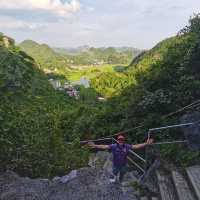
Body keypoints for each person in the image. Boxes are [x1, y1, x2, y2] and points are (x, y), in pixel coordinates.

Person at [88, 134, 154, 183]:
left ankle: (120, 181)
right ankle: (112, 180)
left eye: (122, 140)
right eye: (119, 140)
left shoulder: (127, 146)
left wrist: (146, 143)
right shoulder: (114, 146)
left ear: (124, 141)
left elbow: (136, 146)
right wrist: (95, 145)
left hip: (124, 165)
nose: (120, 141)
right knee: (114, 173)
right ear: (117, 140)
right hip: (115, 165)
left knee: (122, 174)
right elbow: (104, 146)